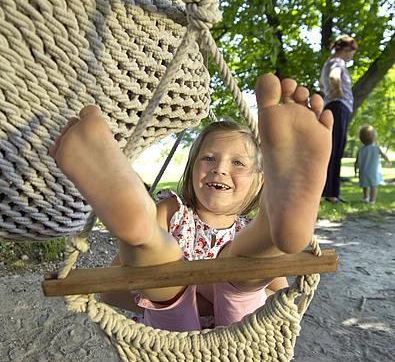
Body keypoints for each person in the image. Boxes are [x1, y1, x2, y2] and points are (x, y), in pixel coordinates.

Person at [50, 73, 333, 332]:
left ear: (261, 181)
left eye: (237, 163)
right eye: (208, 158)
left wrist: (209, 289)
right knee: (176, 276)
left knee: (236, 265)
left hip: (236, 332)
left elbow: (279, 300)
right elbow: (113, 291)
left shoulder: (239, 232)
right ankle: (144, 227)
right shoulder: (174, 212)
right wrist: (197, 294)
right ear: (191, 168)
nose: (219, 169)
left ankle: (270, 229)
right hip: (180, 338)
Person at [319, 34, 358, 203]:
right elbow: (334, 77)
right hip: (338, 107)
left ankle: (330, 192)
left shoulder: (328, 63)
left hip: (333, 107)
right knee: (336, 149)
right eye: (352, 52)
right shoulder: (338, 62)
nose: (352, 56)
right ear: (347, 49)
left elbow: (322, 84)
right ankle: (330, 193)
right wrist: (339, 92)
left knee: (332, 148)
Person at [354, 125, 391, 204]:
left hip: (363, 171)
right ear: (374, 137)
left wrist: (355, 169)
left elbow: (357, 161)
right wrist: (388, 161)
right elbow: (384, 154)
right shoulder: (376, 148)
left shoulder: (360, 150)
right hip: (373, 171)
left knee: (365, 185)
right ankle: (372, 199)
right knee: (373, 186)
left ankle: (365, 197)